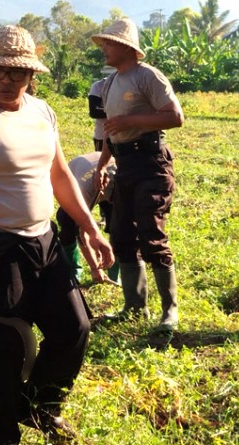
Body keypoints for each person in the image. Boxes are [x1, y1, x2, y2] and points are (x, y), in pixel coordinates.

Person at [0, 25, 114, 445]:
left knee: (74, 327)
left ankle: (39, 406)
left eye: (16, 73)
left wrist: (90, 227)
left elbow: (58, 176)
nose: (6, 80)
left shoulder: (42, 113)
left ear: (29, 76)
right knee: (6, 346)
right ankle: (1, 444)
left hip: (45, 241)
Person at [90, 18, 184, 330]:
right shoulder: (109, 84)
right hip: (124, 165)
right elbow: (110, 131)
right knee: (121, 236)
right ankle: (134, 307)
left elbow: (174, 117)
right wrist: (103, 164)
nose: (103, 48)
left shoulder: (148, 77)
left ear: (126, 47)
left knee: (151, 236)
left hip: (150, 163)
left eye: (109, 43)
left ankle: (169, 311)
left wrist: (134, 122)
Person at [55, 152, 119, 284]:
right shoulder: (84, 191)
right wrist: (94, 267)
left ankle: (114, 272)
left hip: (102, 171)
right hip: (78, 172)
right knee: (68, 221)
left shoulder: (125, 179)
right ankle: (73, 270)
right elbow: (82, 232)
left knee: (120, 227)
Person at [87, 66, 115, 151]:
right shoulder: (98, 86)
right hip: (102, 135)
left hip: (124, 136)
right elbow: (94, 112)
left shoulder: (128, 86)